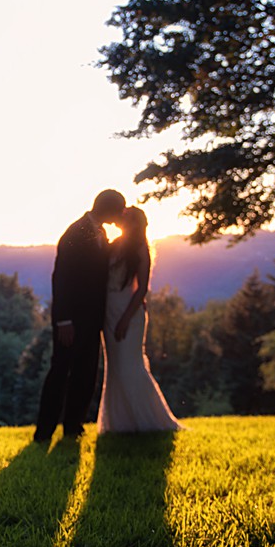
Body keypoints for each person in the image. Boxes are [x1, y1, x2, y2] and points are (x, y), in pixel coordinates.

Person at [34, 189, 125, 444]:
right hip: (71, 321)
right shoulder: (75, 232)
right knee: (60, 373)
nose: (119, 215)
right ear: (108, 209)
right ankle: (44, 432)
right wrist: (64, 320)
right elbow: (61, 277)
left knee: (85, 374)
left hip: (93, 318)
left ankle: (73, 427)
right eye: (119, 210)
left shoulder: (102, 232)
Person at [98, 206, 185, 433]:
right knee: (114, 367)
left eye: (125, 217)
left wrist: (126, 318)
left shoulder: (140, 249)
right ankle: (120, 423)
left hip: (128, 311)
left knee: (130, 366)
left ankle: (151, 421)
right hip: (109, 311)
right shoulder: (115, 245)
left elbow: (142, 289)